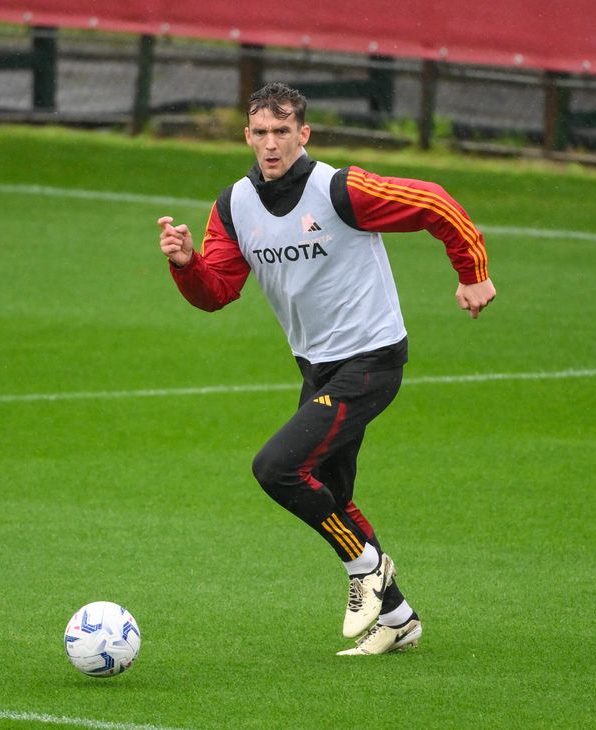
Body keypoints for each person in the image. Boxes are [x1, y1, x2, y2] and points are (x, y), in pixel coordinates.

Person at [157, 82, 495, 655]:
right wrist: (188, 264)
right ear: (247, 135)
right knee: (329, 495)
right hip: (316, 370)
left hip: (372, 360)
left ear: (303, 134)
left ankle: (366, 569)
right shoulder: (233, 205)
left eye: (282, 132)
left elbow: (435, 202)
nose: (270, 144)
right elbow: (216, 293)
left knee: (277, 469)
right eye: (260, 132)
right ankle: (398, 618)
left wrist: (473, 269)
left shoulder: (340, 190)